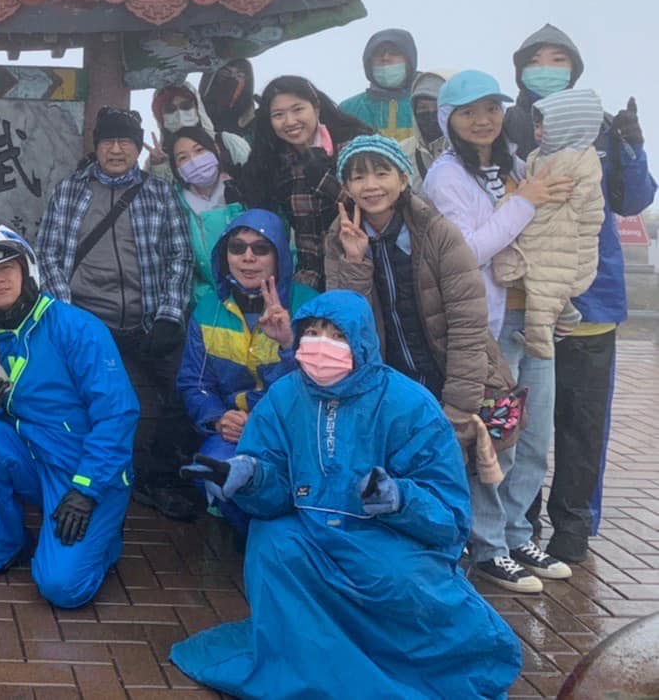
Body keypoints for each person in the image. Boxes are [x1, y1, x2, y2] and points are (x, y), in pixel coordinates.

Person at [170, 291, 522, 700]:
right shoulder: (283, 398)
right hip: (310, 535)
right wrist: (246, 477)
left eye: (337, 334)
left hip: (384, 539)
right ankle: (305, 668)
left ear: (362, 339)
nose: (322, 344)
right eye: (313, 332)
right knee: (272, 544)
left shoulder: (409, 405)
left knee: (399, 580)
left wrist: (400, 499)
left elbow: (450, 518)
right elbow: (277, 492)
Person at [502, 24, 657, 563]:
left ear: (575, 68)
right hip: (522, 300)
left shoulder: (603, 128)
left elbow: (632, 200)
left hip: (592, 299)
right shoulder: (505, 127)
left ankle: (572, 523)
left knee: (581, 419)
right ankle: (515, 523)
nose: (547, 67)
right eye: (536, 59)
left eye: (558, 58)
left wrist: (633, 146)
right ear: (519, 68)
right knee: (517, 420)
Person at [422, 70, 574, 593]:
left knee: (534, 437)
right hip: (489, 326)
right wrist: (525, 200)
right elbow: (468, 253)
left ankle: (516, 532)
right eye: (469, 111)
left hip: (535, 314)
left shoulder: (513, 166)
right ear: (449, 120)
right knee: (497, 440)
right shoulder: (445, 177)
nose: (483, 119)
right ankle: (488, 545)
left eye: (491, 107)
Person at [0, 223, 140, 610]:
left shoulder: (76, 327)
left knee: (62, 588)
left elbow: (118, 415)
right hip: (32, 460)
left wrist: (86, 489)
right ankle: (3, 540)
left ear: (26, 269)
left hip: (84, 468)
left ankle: (104, 537)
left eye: (6, 267)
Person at [36, 106, 197, 521]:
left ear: (138, 146)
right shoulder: (71, 190)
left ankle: (156, 475)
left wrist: (169, 313)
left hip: (149, 321)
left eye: (125, 141)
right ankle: (104, 477)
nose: (116, 149)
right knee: (116, 403)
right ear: (96, 146)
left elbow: (180, 254)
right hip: (90, 321)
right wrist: (67, 319)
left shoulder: (160, 193)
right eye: (108, 140)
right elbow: (49, 254)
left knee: (181, 396)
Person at [326, 135, 517, 479]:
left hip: (451, 380)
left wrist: (458, 408)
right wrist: (355, 261)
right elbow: (348, 326)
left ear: (402, 180)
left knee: (475, 492)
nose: (371, 185)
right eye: (358, 177)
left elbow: (468, 324)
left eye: (382, 173)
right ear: (347, 188)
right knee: (405, 492)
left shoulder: (438, 233)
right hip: (391, 391)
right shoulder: (339, 239)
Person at [177, 210, 312, 536]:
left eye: (261, 248)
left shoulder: (309, 306)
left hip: (294, 433)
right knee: (215, 468)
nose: (248, 257)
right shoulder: (208, 307)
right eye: (237, 248)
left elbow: (316, 388)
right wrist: (218, 418)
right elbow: (195, 382)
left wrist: (287, 346)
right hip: (233, 432)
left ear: (279, 254)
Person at [492, 90, 607, 358]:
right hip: (562, 240)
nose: (539, 131)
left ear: (568, 127)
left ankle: (539, 341)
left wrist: (510, 206)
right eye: (537, 125)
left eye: (546, 125)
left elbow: (546, 209)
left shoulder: (566, 164)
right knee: (541, 285)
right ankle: (563, 315)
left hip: (560, 240)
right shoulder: (546, 156)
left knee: (543, 288)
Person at [239, 75, 372, 291]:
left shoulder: (354, 146)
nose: (290, 121)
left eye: (298, 109)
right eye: (278, 115)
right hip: (311, 278)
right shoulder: (274, 163)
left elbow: (370, 204)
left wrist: (322, 177)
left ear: (316, 108)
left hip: (362, 267)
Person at [162, 126, 247, 310]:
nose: (194, 161)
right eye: (183, 158)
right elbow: (172, 262)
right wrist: (204, 296)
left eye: (199, 150)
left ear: (215, 149)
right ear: (176, 168)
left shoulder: (245, 191)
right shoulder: (172, 205)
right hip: (206, 309)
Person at [144, 82, 250, 181]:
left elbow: (255, 179)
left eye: (186, 106)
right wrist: (160, 168)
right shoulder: (156, 160)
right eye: (170, 109)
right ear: (161, 118)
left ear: (198, 109)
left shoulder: (228, 142)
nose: (179, 113)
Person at [339, 28, 419, 139]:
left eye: (394, 52)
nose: (385, 58)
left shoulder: (426, 105)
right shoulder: (348, 109)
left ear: (409, 61)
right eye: (378, 53)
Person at [397, 69, 448, 183]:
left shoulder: (476, 151)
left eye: (438, 107)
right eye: (423, 108)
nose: (431, 113)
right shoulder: (401, 154)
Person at [198, 58, 257, 146]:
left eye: (240, 76)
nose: (233, 79)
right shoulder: (195, 109)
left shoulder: (250, 115)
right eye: (226, 73)